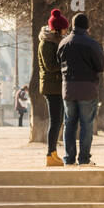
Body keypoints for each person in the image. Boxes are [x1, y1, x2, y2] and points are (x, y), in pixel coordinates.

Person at [57, 12, 104, 166]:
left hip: (68, 88)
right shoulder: (92, 44)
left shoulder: (63, 43)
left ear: (72, 25)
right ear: (87, 27)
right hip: (87, 89)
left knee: (69, 123)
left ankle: (69, 159)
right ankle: (84, 159)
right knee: (86, 124)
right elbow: (100, 66)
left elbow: (59, 62)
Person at [39, 9, 69, 166]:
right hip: (51, 87)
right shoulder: (46, 43)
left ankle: (53, 153)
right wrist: (66, 64)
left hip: (57, 85)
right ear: (57, 29)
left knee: (58, 121)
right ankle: (50, 154)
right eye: (64, 29)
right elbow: (50, 66)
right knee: (55, 120)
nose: (66, 31)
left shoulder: (54, 42)